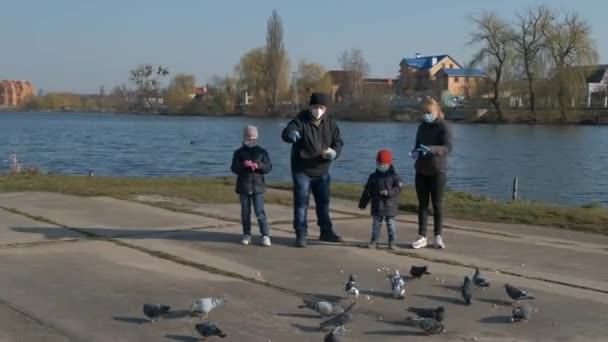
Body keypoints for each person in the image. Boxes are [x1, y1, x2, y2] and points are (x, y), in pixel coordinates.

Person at [281, 92, 344, 248]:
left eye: (321, 107)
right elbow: (287, 131)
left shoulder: (331, 124)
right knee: (302, 203)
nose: (318, 110)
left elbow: (338, 142)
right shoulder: (300, 121)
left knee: (323, 203)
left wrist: (334, 152)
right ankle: (301, 233)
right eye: (315, 107)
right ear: (310, 107)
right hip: (302, 170)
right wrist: (291, 134)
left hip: (322, 170)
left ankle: (326, 231)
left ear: (326, 108)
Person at [410, 98, 453, 249]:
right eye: (424, 113)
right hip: (421, 170)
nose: (426, 115)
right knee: (422, 204)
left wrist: (432, 149)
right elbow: (417, 145)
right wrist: (415, 152)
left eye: (428, 112)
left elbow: (447, 147)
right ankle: (422, 236)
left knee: (437, 204)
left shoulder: (443, 126)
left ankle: (438, 236)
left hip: (437, 170)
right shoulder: (421, 127)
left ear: (436, 112)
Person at [230, 125, 273, 247]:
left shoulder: (262, 152)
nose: (251, 140)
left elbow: (268, 167)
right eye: (249, 138)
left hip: (258, 186)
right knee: (245, 212)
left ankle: (265, 235)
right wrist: (244, 165)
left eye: (254, 138)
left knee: (260, 211)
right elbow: (234, 168)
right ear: (245, 138)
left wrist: (258, 165)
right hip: (244, 186)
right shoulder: (238, 153)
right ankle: (247, 233)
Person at [358, 149, 402, 250]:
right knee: (376, 224)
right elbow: (367, 191)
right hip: (377, 205)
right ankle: (374, 240)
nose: (381, 166)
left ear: (389, 164)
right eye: (379, 163)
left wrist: (389, 193)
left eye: (384, 164)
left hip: (390, 205)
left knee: (391, 224)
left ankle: (392, 241)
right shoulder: (373, 177)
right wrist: (363, 203)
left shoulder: (395, 177)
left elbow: (398, 189)